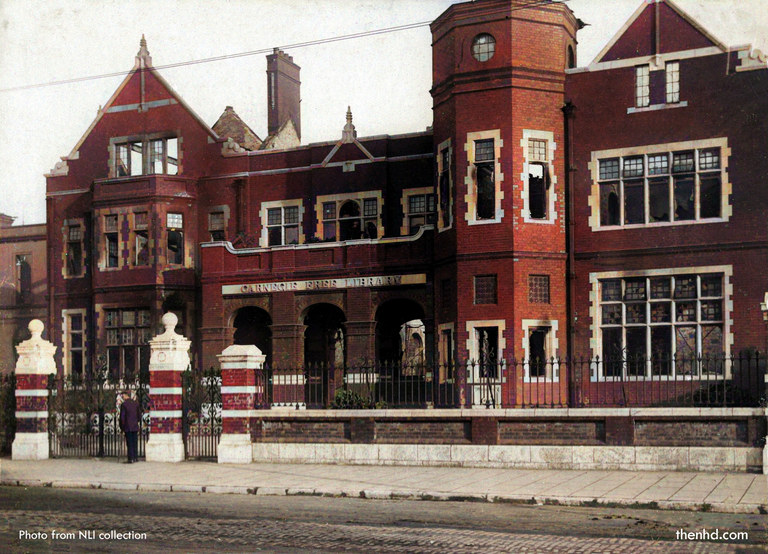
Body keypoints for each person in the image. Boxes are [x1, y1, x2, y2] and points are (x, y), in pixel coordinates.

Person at [119, 390, 141, 463]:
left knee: (129, 443)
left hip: (127, 426)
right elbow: (139, 416)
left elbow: (122, 417)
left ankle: (130, 458)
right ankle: (135, 457)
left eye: (123, 395)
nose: (122, 397)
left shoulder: (124, 405)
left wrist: (122, 427)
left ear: (125, 395)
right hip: (134, 425)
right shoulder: (136, 404)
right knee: (135, 442)